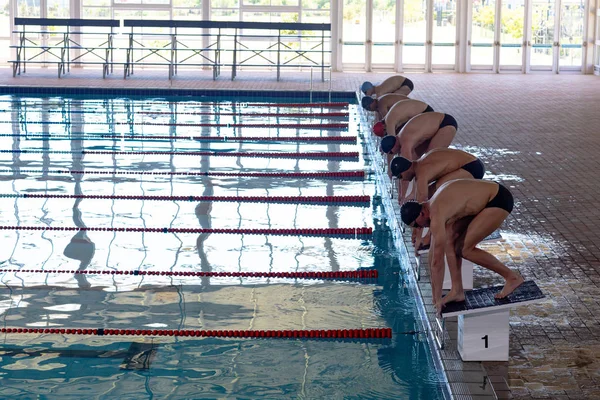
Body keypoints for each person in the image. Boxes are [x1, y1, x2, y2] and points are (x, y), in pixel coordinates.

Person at [399, 179, 524, 315]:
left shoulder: (436, 214)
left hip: (497, 200)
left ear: (422, 214)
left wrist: (437, 299)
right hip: (484, 197)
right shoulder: (433, 207)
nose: (421, 228)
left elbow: (437, 262)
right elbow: (433, 255)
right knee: (450, 239)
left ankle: (512, 277)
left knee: (465, 249)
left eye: (417, 225)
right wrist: (435, 297)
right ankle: (457, 290)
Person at [390, 148, 485, 253]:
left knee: (436, 195)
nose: (402, 179)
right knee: (433, 191)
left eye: (400, 176)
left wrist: (419, 235)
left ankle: (430, 237)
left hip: (472, 168)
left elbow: (424, 210)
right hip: (472, 163)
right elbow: (419, 204)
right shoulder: (420, 166)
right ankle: (431, 235)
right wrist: (415, 232)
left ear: (405, 170)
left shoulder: (421, 173)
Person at [380, 112, 458, 197]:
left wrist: (403, 196)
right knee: (416, 162)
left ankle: (427, 192)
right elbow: (405, 171)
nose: (393, 154)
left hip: (445, 124)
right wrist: (401, 194)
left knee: (429, 160)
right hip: (434, 127)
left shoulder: (405, 142)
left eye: (391, 152)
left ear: (393, 146)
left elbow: (405, 171)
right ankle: (418, 192)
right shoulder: (401, 139)